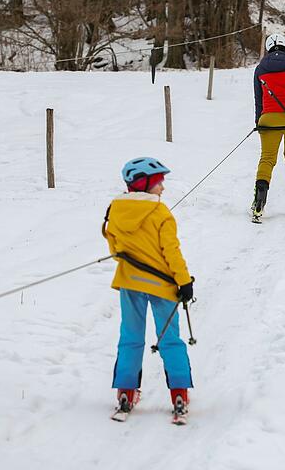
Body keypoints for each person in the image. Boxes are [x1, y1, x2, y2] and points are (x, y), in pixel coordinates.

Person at [102, 157, 194, 422]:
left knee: (130, 337)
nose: (163, 187)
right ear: (145, 184)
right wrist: (184, 281)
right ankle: (179, 393)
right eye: (159, 182)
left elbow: (115, 249)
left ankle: (126, 393)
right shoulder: (160, 213)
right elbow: (171, 252)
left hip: (129, 283)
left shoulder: (115, 209)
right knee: (170, 340)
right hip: (162, 285)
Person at [252, 33, 285, 222]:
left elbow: (258, 100)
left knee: (267, 158)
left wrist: (258, 121)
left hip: (268, 119)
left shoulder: (260, 69)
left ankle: (259, 202)